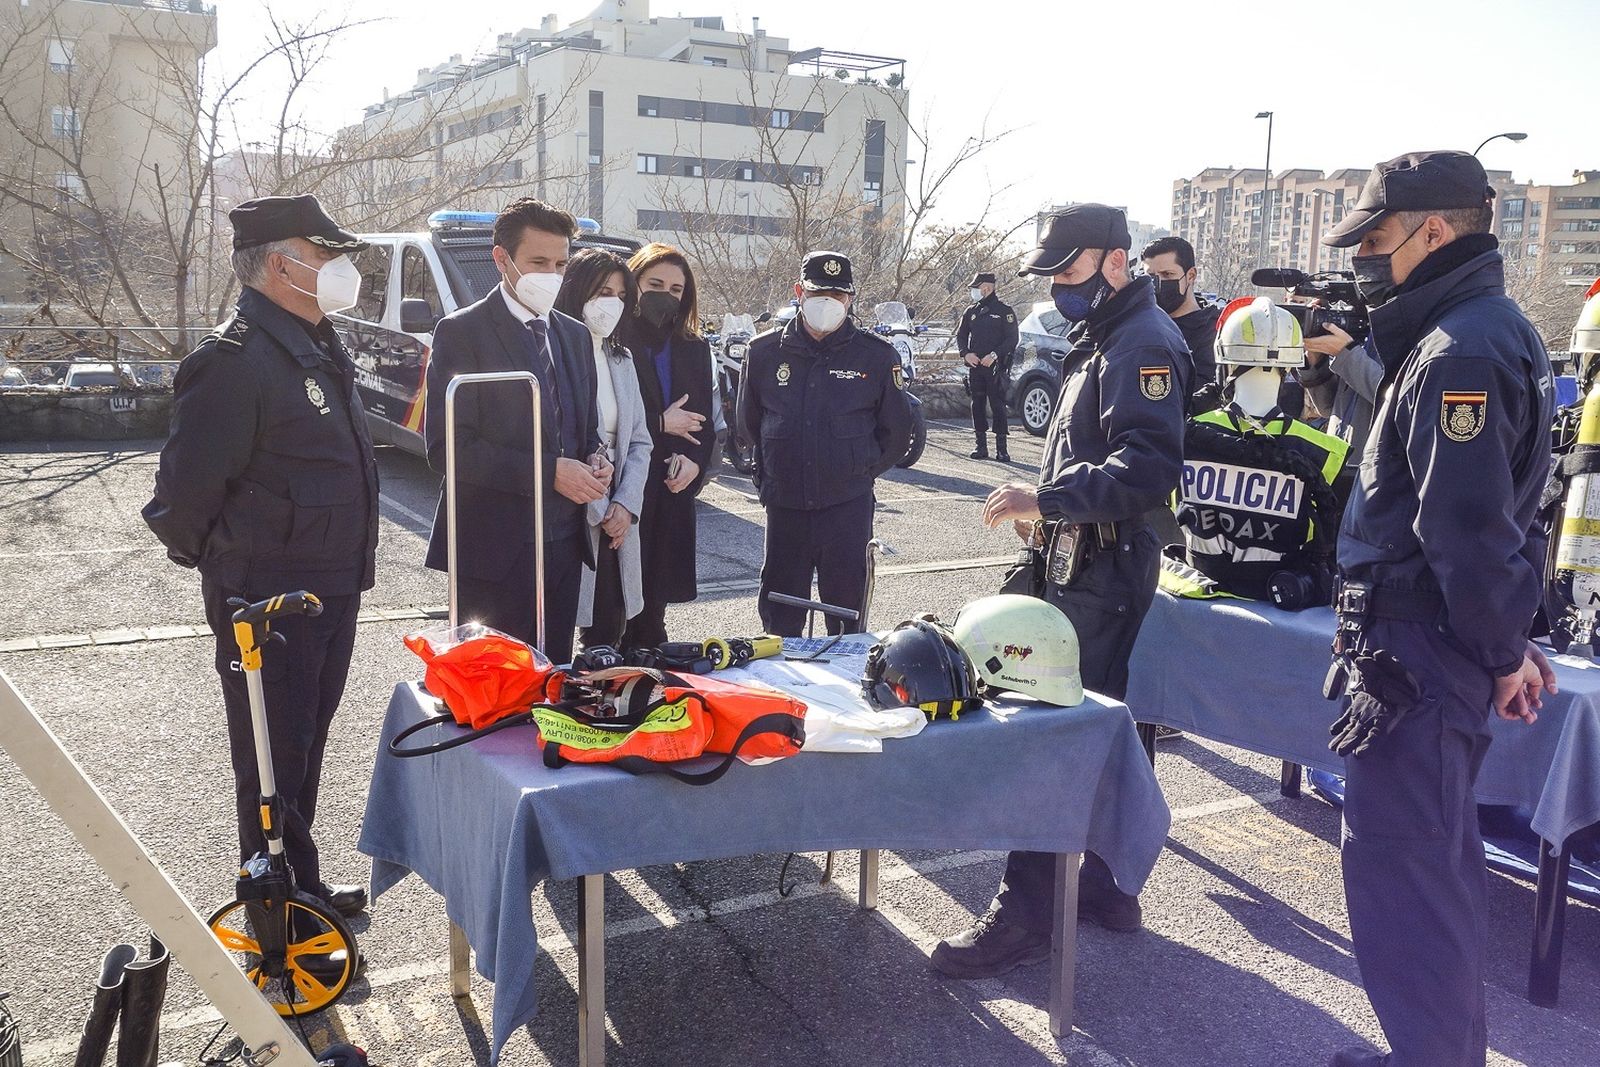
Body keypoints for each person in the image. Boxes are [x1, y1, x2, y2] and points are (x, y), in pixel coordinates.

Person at [1321, 150, 1557, 1067]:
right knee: (1433, 875)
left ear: (1434, 231)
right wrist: (1506, 646)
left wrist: (1504, 653)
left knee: (1408, 880)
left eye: (1377, 240)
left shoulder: (1461, 347)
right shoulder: (1478, 329)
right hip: (1428, 652)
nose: (1365, 261)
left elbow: (1465, 529)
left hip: (1414, 658)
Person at [931, 204, 1189, 978]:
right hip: (1084, 559)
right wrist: (1051, 519)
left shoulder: (1141, 340)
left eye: (1069, 271)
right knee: (1105, 732)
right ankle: (1107, 885)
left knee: (1055, 736)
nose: (1059, 288)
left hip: (1104, 572)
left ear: (1116, 262)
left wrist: (1044, 501)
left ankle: (1026, 916)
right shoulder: (1107, 334)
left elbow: (1147, 467)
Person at [142, 195, 379, 948]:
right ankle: (278, 929)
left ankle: (300, 884)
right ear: (282, 263)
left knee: (303, 749)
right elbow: (183, 498)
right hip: (267, 602)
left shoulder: (314, 339)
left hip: (331, 586)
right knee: (270, 765)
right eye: (327, 253)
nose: (343, 269)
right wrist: (229, 571)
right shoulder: (234, 358)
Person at [422, 198, 611, 666]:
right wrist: (548, 472)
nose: (552, 273)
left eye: (561, 263)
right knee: (492, 690)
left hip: (564, 545)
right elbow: (448, 448)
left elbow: (583, 426)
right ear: (501, 258)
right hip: (495, 548)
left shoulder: (572, 334)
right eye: (538, 262)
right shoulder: (462, 332)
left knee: (553, 681)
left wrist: (595, 459)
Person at [738, 250, 914, 636]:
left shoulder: (876, 355)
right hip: (786, 505)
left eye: (838, 296)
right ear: (799, 292)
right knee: (780, 619)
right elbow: (750, 422)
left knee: (846, 615)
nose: (828, 304)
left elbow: (896, 433)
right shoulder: (764, 352)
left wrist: (858, 472)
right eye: (819, 294)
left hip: (846, 508)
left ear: (850, 299)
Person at [1161, 297, 1348, 606]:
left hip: (1195, 600)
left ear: (1224, 361)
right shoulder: (1324, 452)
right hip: (1279, 605)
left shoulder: (1182, 433)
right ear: (1291, 366)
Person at [552, 250, 657, 651]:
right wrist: (599, 510)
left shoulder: (621, 358)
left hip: (618, 519)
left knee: (608, 634)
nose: (610, 302)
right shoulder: (556, 354)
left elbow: (639, 440)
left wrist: (625, 506)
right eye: (601, 291)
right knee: (560, 639)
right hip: (576, 513)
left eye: (619, 294)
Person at [615, 243, 716, 650]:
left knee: (653, 616)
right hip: (623, 485)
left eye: (676, 289)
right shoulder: (615, 337)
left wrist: (693, 461)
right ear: (633, 283)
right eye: (654, 283)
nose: (665, 294)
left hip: (670, 488)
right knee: (614, 608)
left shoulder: (693, 346)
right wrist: (660, 423)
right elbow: (609, 418)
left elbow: (703, 422)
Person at [1141, 236, 1220, 411]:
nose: (1158, 283)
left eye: (1167, 274)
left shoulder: (1215, 331)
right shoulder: (1139, 326)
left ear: (1191, 275)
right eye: (1151, 277)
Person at [957, 271, 1019, 460]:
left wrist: (994, 355)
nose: (973, 292)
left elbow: (1012, 338)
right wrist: (966, 354)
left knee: (997, 405)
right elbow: (961, 335)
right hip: (976, 366)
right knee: (977, 403)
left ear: (986, 288)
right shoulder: (971, 311)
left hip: (995, 366)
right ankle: (981, 446)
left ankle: (1002, 449)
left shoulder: (1004, 311)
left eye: (976, 288)